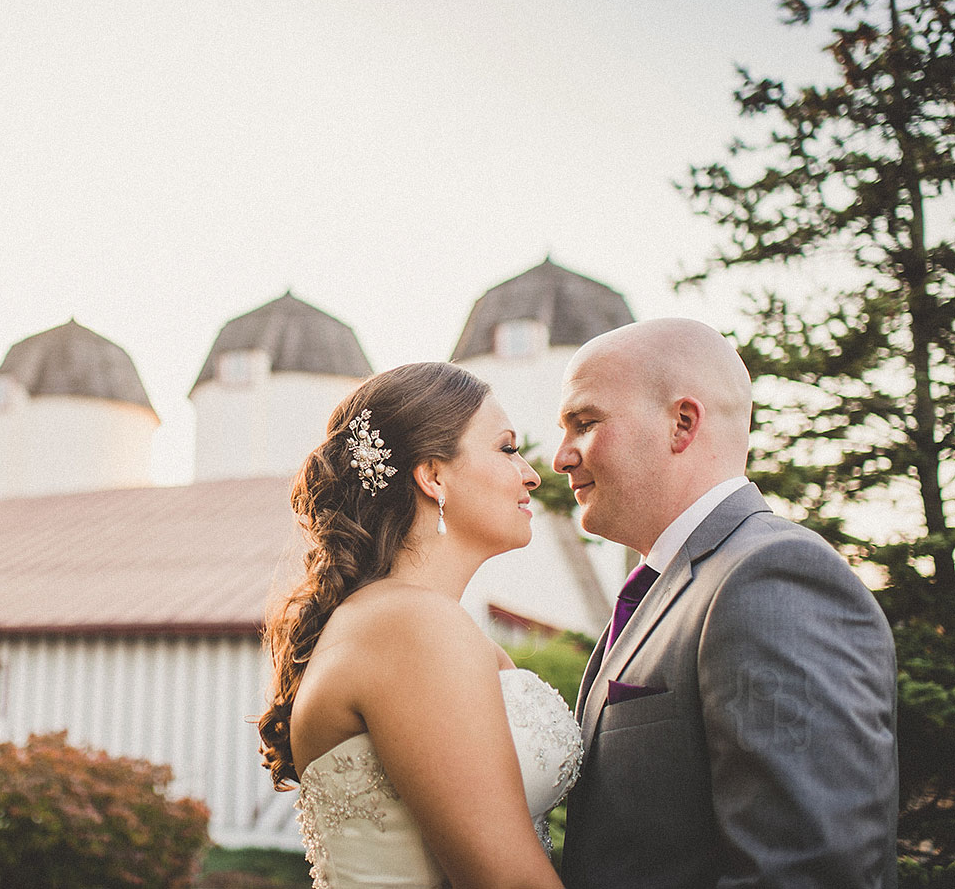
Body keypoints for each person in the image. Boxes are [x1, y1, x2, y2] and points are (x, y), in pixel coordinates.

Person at [553, 318, 899, 888]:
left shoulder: (771, 577)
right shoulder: (670, 584)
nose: (564, 456)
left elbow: (807, 872)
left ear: (682, 424)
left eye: (585, 423)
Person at [258, 361, 579, 889]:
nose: (531, 473)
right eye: (506, 448)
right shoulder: (410, 626)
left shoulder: (421, 624)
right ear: (432, 475)